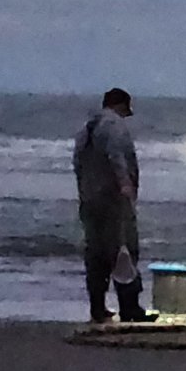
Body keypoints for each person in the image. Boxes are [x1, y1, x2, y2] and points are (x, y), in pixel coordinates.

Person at [72, 88, 155, 324]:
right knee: (124, 250)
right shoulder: (114, 126)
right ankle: (129, 308)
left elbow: (78, 163)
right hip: (113, 200)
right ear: (120, 105)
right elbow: (117, 157)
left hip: (89, 199)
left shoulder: (86, 128)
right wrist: (126, 185)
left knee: (95, 253)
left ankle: (97, 308)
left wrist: (84, 190)